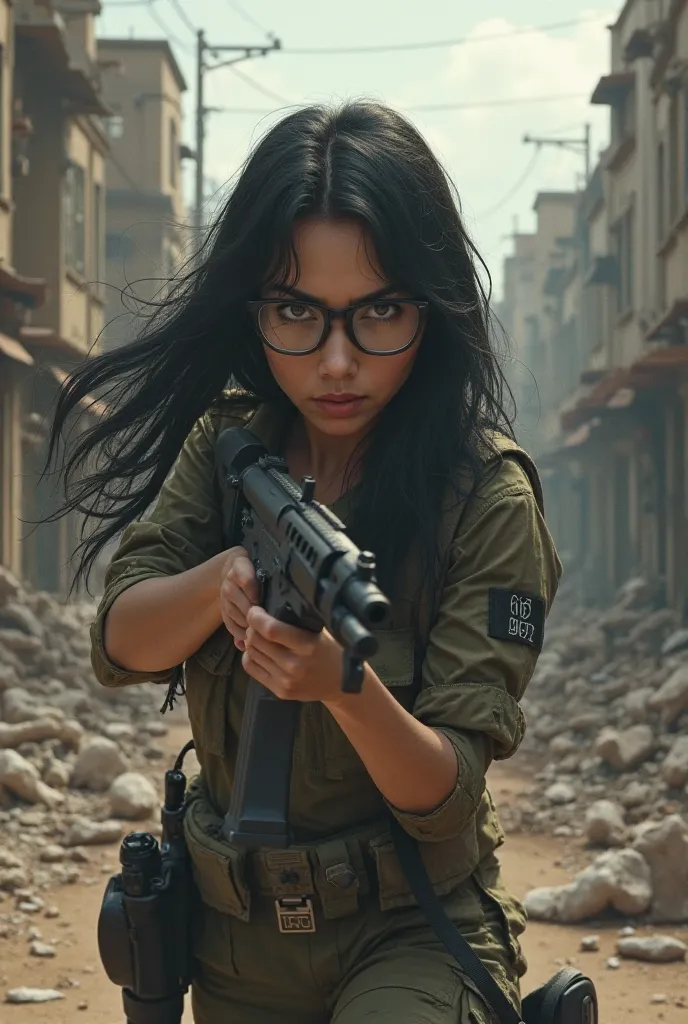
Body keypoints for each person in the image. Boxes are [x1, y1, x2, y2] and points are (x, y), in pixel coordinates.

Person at [47, 100, 561, 1023]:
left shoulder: (483, 496)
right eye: (297, 313)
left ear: (432, 310)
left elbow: (445, 798)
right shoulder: (230, 447)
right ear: (255, 309)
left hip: (412, 924)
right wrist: (223, 582)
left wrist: (339, 683)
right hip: (236, 936)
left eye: (380, 313)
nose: (336, 361)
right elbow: (119, 642)